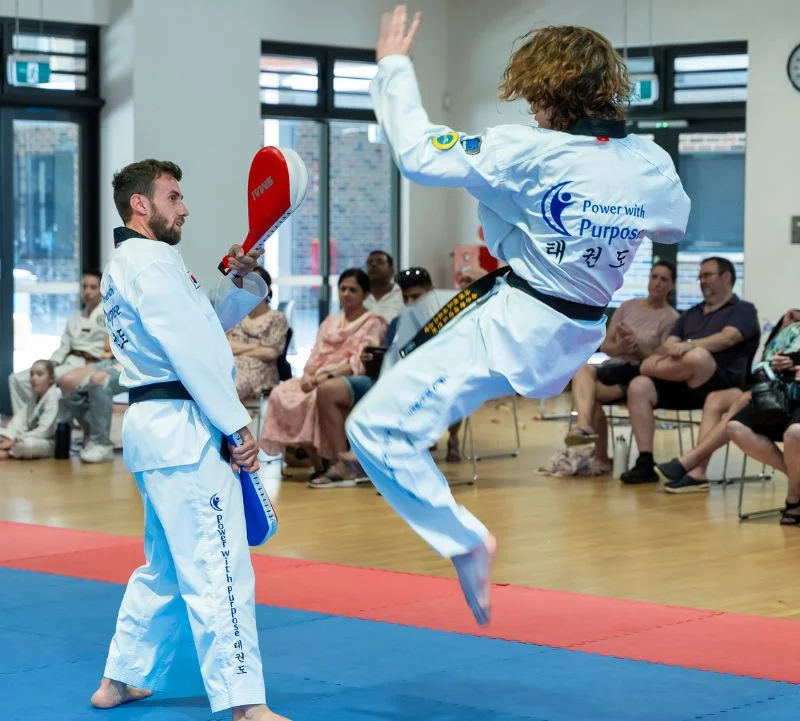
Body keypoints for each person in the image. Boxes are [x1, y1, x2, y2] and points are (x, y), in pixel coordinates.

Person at [346, 7, 689, 626]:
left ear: (552, 93)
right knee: (493, 190)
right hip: (578, 331)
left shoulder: (528, 150)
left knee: (374, 430)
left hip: (517, 324)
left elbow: (418, 156)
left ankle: (464, 540)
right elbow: (673, 223)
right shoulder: (649, 161)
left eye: (535, 100)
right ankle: (462, 541)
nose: (531, 112)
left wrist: (393, 66)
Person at [89, 159, 291, 721]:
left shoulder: (133, 262)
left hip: (158, 432)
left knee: (167, 566)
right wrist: (236, 425)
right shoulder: (151, 262)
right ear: (141, 204)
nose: (185, 208)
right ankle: (245, 703)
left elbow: (202, 321)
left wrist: (241, 278)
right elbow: (192, 349)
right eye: (173, 197)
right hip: (184, 430)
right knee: (219, 565)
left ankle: (121, 677)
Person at [620, 257, 760, 485]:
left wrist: (689, 345)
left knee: (698, 357)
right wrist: (673, 350)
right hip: (683, 381)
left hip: (723, 382)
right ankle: (645, 462)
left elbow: (728, 338)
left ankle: (694, 471)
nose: (702, 281)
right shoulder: (691, 313)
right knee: (639, 386)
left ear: (726, 277)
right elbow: (668, 344)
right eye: (700, 276)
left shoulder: (743, 309)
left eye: (707, 275)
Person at [259, 268, 386, 485]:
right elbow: (316, 353)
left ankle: (338, 463)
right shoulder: (330, 322)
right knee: (282, 392)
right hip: (318, 375)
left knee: (314, 396)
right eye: (343, 289)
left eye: (353, 290)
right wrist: (308, 375)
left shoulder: (373, 322)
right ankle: (318, 464)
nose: (346, 294)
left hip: (347, 377)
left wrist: (324, 376)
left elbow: (359, 361)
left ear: (365, 294)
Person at [657, 308, 800, 492]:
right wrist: (782, 328)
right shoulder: (791, 322)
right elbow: (765, 360)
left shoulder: (743, 311)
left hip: (771, 389)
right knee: (715, 399)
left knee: (744, 400)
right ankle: (698, 471)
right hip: (766, 383)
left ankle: (692, 460)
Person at [564, 261, 679, 472]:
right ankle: (584, 426)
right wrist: (621, 347)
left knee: (591, 394)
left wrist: (636, 347)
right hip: (616, 366)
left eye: (664, 279)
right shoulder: (628, 307)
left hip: (642, 373)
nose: (657, 283)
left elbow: (659, 361)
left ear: (672, 285)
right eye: (654, 277)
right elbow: (606, 345)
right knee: (582, 370)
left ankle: (600, 457)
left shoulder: (671, 318)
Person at [8, 270, 108, 413]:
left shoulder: (108, 316)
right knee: (16, 379)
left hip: (89, 364)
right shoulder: (75, 318)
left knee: (41, 380)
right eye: (84, 287)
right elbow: (64, 346)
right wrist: (52, 363)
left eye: (93, 287)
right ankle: (26, 419)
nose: (87, 291)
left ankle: (38, 419)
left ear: (102, 289)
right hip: (67, 362)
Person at [226, 266, 289, 403]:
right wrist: (257, 346)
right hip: (231, 365)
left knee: (231, 390)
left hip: (260, 370)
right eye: (247, 281)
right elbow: (225, 346)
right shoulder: (237, 315)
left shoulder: (277, 318)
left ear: (267, 288)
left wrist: (238, 348)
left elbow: (271, 353)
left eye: (255, 282)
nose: (249, 286)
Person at [0, 360, 60, 460]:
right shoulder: (35, 397)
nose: (34, 378)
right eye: (32, 374)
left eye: (39, 374)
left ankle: (8, 452)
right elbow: (19, 421)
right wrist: (8, 437)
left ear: (51, 378)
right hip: (29, 436)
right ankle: (8, 448)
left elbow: (45, 431)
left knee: (28, 445)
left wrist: (15, 440)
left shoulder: (54, 397)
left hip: (48, 441)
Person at [363, 250, 404, 321]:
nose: (373, 265)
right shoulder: (359, 296)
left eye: (380, 262)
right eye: (369, 263)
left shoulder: (403, 295)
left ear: (391, 270)